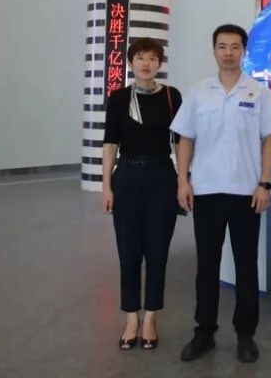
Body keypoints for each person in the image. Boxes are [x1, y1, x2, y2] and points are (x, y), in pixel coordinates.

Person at [172, 24, 271, 364]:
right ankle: (204, 332)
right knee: (207, 265)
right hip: (205, 190)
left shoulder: (258, 92)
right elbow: (185, 139)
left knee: (246, 265)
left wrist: (264, 184)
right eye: (222, 46)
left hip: (246, 192)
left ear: (243, 52)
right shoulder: (198, 91)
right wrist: (182, 181)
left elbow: (268, 142)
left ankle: (245, 334)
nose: (229, 53)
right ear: (214, 51)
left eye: (235, 47)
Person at [101, 37, 183, 351]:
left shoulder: (171, 96)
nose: (146, 63)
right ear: (130, 62)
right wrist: (106, 186)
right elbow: (110, 144)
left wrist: (183, 180)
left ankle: (150, 316)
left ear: (159, 63)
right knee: (129, 252)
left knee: (158, 251)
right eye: (140, 57)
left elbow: (181, 142)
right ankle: (131, 317)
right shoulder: (119, 98)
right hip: (127, 178)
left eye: (152, 58)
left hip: (162, 177)